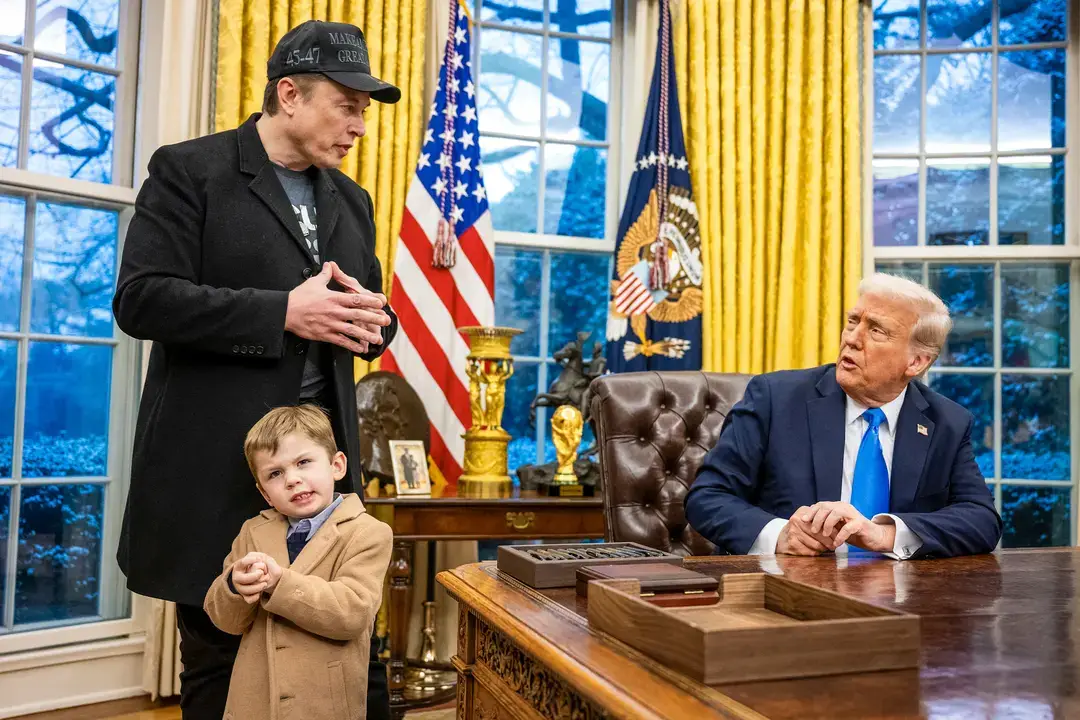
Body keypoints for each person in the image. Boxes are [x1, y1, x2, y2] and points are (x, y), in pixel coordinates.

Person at [113, 20, 400, 720]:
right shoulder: (190, 170)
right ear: (290, 93)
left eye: (366, 109)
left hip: (319, 482)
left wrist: (374, 323)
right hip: (214, 474)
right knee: (220, 660)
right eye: (349, 104)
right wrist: (280, 313)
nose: (361, 125)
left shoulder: (352, 201)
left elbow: (366, 318)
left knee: (345, 657)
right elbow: (142, 298)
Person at [685, 273, 1002, 559]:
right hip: (787, 595)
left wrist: (883, 535)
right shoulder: (775, 398)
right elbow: (707, 497)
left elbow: (981, 520)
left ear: (916, 363)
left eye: (876, 331)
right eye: (853, 321)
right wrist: (779, 535)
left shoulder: (946, 422)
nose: (852, 338)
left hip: (900, 601)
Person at [205, 405, 393, 719]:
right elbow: (226, 620)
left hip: (325, 706)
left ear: (336, 465)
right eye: (275, 474)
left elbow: (352, 613)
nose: (293, 479)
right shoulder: (253, 532)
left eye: (304, 463)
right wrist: (233, 586)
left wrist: (281, 583)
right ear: (265, 493)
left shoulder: (368, 533)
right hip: (254, 706)